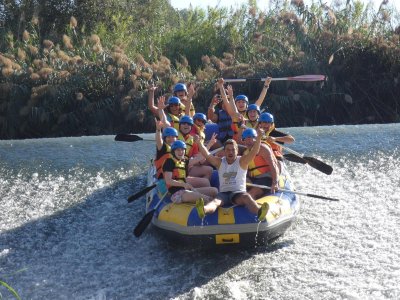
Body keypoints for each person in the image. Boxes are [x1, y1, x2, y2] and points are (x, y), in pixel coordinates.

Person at [194, 128, 269, 221]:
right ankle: (203, 210)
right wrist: (199, 143)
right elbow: (207, 155)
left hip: (238, 194)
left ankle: (259, 212)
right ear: (224, 152)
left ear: (237, 151)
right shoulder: (219, 162)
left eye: (233, 150)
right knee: (216, 202)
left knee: (246, 197)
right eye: (228, 150)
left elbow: (254, 152)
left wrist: (258, 139)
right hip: (223, 194)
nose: (230, 152)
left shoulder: (242, 161)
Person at [162, 140, 218, 216]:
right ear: (173, 151)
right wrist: (183, 185)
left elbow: (201, 157)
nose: (180, 152)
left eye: (182, 150)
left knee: (214, 191)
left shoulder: (184, 161)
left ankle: (211, 204)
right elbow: (168, 181)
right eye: (178, 150)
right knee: (204, 199)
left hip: (187, 190)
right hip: (177, 194)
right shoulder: (169, 162)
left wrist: (209, 145)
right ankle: (206, 209)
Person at [241, 128, 279, 199]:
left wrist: (275, 182)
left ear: (255, 138)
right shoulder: (246, 152)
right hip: (253, 179)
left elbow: (273, 165)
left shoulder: (262, 148)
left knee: (250, 195)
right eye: (245, 139)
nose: (247, 142)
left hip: (266, 177)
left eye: (249, 139)